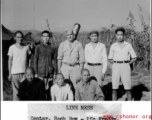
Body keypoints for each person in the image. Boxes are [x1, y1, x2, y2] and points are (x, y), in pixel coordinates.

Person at [108, 27, 137, 101]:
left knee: (128, 87)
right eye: (118, 35)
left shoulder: (128, 45)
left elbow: (134, 57)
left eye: (121, 34)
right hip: (116, 66)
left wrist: (127, 64)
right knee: (114, 87)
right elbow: (110, 58)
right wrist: (115, 64)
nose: (119, 36)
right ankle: (114, 103)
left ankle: (129, 104)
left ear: (124, 35)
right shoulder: (113, 46)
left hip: (125, 66)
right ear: (115, 35)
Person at [57, 29, 85, 94]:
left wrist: (80, 72)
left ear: (74, 35)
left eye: (71, 34)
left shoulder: (79, 44)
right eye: (68, 35)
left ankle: (75, 101)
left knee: (76, 86)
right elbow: (59, 59)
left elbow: (82, 60)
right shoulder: (62, 44)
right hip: (65, 67)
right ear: (66, 36)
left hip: (75, 68)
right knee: (64, 85)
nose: (69, 36)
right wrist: (59, 70)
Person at [33, 30, 57, 99]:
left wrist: (55, 72)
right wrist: (36, 72)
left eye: (47, 36)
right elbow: (35, 60)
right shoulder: (38, 47)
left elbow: (55, 60)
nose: (46, 38)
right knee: (41, 92)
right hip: (40, 73)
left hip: (50, 73)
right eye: (44, 36)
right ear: (42, 37)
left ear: (49, 37)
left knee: (50, 92)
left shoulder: (53, 47)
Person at [7, 31, 31, 100]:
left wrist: (28, 72)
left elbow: (29, 60)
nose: (19, 39)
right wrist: (9, 74)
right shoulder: (12, 48)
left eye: (21, 37)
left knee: (25, 92)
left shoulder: (26, 48)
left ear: (23, 38)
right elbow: (9, 61)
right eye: (18, 37)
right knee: (16, 93)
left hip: (24, 74)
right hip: (14, 73)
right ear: (15, 38)